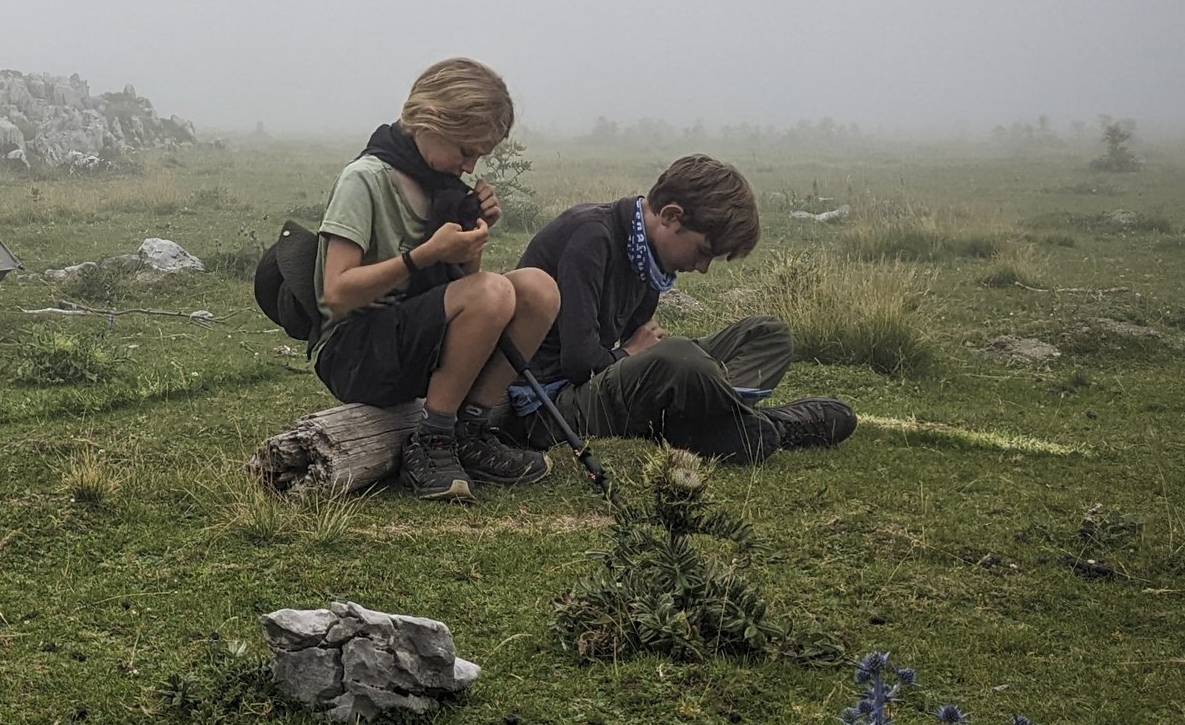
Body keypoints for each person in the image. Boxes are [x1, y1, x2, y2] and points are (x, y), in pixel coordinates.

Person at [310, 58, 560, 498]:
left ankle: (473, 430)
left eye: (480, 156)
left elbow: (468, 292)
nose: (469, 167)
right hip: (357, 353)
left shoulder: (444, 188)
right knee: (495, 290)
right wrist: (423, 256)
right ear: (430, 120)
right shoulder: (365, 180)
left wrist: (472, 241)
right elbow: (335, 295)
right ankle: (432, 439)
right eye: (465, 151)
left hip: (415, 343)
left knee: (538, 288)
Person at [512, 154, 856, 463]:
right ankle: (770, 426)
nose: (703, 267)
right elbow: (579, 363)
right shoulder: (592, 237)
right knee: (679, 358)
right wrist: (632, 353)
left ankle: (710, 423)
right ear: (671, 216)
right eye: (704, 251)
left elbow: (631, 355)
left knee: (768, 335)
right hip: (549, 408)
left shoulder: (647, 257)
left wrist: (640, 358)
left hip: (601, 386)